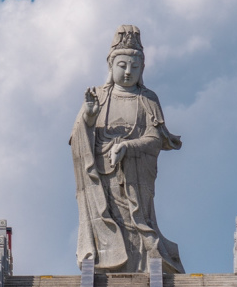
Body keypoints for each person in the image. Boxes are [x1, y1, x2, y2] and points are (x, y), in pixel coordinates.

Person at [70, 24, 184, 273]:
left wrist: (127, 147)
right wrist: (89, 117)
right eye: (122, 65)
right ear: (111, 66)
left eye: (134, 66)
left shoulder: (148, 99)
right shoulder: (98, 96)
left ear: (142, 68)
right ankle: (108, 263)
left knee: (137, 222)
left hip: (136, 175)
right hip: (104, 174)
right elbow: (77, 137)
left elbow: (155, 139)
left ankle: (144, 266)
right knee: (110, 219)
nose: (128, 72)